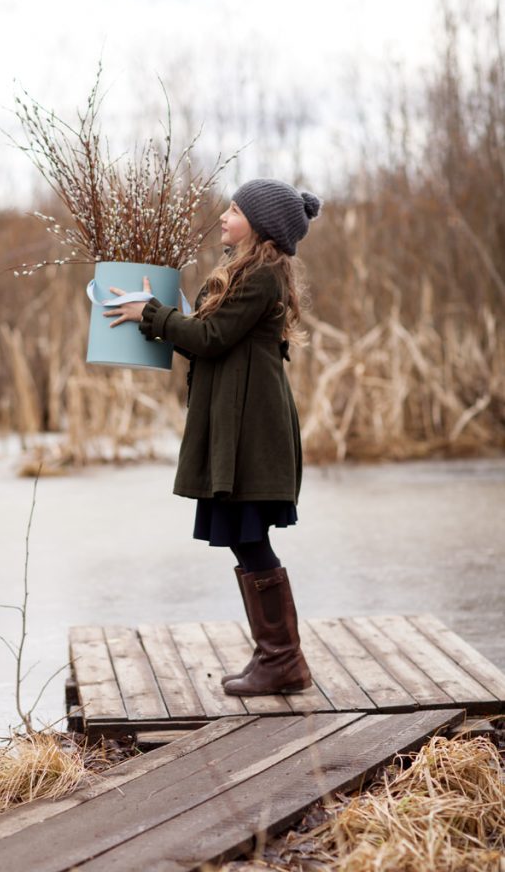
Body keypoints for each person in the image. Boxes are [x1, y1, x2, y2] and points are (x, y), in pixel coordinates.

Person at [104, 178, 322, 696]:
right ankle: (276, 657)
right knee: (245, 539)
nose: (223, 216)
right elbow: (208, 338)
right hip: (239, 426)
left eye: (234, 209)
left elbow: (209, 337)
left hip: (252, 432)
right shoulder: (247, 272)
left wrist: (152, 315)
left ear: (260, 225)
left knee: (250, 536)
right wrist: (160, 311)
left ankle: (284, 661)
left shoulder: (262, 275)